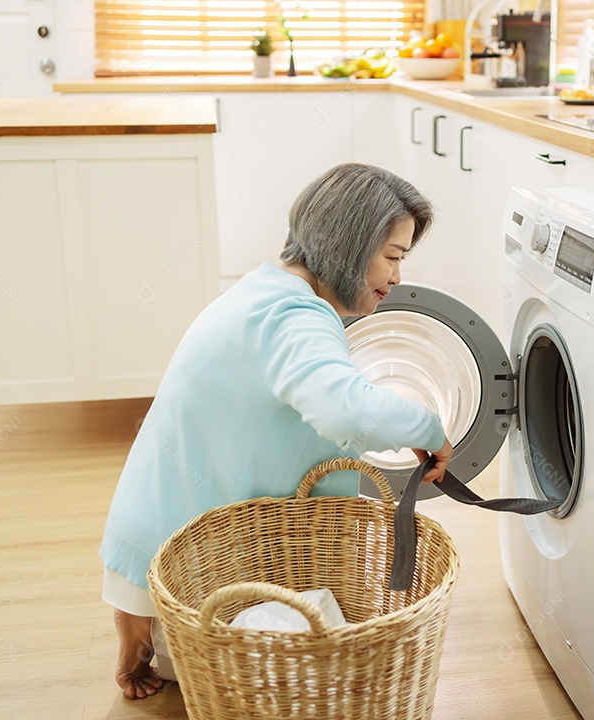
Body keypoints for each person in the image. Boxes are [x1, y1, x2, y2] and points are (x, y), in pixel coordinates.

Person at [99, 163, 454, 699]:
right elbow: (346, 412)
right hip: (198, 576)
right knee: (303, 675)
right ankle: (157, 642)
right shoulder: (297, 316)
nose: (398, 277)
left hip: (151, 543)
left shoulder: (262, 290)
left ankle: (143, 639)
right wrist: (428, 427)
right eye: (393, 257)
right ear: (351, 246)